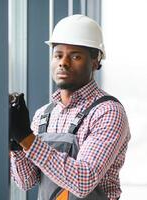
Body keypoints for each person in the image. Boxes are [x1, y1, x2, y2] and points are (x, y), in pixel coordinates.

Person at [9, 14, 130, 200]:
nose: (63, 62)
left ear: (96, 61)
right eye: (58, 55)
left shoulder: (108, 112)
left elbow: (84, 181)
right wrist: (16, 143)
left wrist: (28, 139)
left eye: (75, 56)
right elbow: (27, 182)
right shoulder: (44, 114)